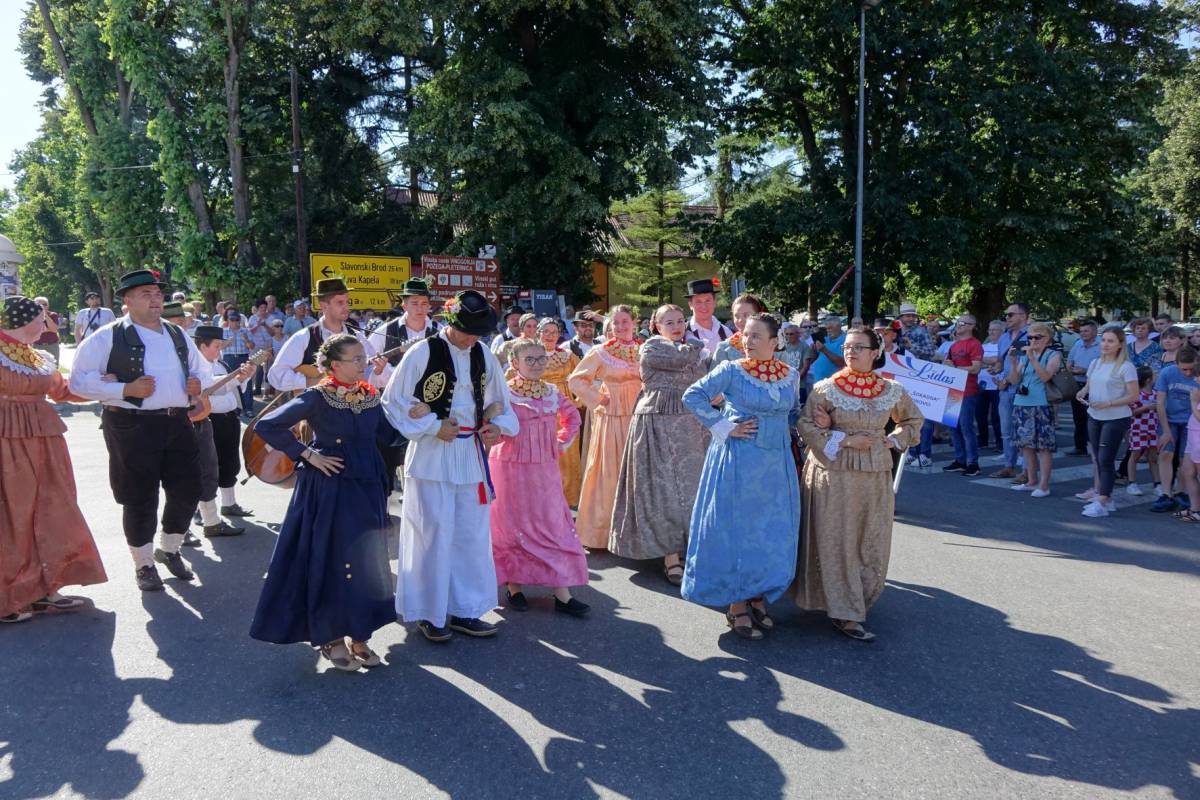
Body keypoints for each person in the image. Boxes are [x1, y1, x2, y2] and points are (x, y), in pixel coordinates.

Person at [250, 334, 397, 670]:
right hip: (330, 486)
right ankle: (331, 638)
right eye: (356, 359)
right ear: (334, 365)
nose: (363, 364)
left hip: (368, 485)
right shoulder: (318, 396)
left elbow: (389, 435)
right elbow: (268, 425)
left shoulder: (369, 396)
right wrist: (307, 454)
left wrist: (417, 414)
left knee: (366, 559)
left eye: (363, 358)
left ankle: (360, 633)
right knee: (332, 558)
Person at [381, 290, 518, 642]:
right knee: (432, 534)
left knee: (470, 534)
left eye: (478, 333)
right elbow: (393, 401)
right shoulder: (423, 351)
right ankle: (430, 612)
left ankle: (466, 609)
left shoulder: (483, 354)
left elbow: (501, 402)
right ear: (451, 323)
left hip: (470, 455)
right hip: (432, 456)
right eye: (467, 331)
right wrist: (432, 426)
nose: (472, 338)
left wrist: (497, 427)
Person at [68, 270, 205, 591]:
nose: (156, 299)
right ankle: (143, 564)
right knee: (139, 496)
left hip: (177, 421)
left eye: (158, 294)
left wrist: (197, 384)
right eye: (146, 294)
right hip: (131, 425)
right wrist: (125, 389)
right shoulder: (107, 337)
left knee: (189, 489)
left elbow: (201, 369)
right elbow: (78, 382)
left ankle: (169, 549)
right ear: (127, 300)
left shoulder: (177, 333)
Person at [795, 326, 923, 641]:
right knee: (837, 538)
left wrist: (894, 440)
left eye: (858, 347)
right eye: (848, 347)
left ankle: (857, 600)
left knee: (869, 538)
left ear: (875, 352)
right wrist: (846, 439)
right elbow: (806, 426)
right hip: (833, 473)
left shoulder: (891, 389)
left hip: (875, 473)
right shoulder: (826, 388)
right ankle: (845, 610)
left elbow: (913, 420)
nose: (851, 352)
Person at [681, 313, 802, 640]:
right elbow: (692, 396)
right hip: (739, 461)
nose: (747, 341)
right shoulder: (731, 370)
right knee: (738, 529)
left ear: (774, 342)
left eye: (756, 336)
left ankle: (758, 594)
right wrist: (724, 426)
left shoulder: (790, 375)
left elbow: (794, 413)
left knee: (770, 530)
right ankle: (736, 602)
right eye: (746, 334)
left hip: (776, 465)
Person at [0, 296, 107, 623]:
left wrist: (110, 388)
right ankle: (10, 595)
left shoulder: (38, 356)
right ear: (23, 321)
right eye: (41, 319)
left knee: (53, 506)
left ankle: (47, 587)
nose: (47, 325)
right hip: (7, 437)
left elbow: (62, 391)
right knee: (14, 513)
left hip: (45, 437)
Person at [610, 304, 710, 585]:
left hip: (690, 426)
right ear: (656, 326)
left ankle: (687, 550)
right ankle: (670, 557)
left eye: (680, 321)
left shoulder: (691, 350)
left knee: (691, 490)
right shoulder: (652, 346)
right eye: (669, 322)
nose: (677, 326)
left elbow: (703, 382)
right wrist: (696, 343)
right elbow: (681, 359)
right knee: (662, 491)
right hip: (657, 424)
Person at [489, 339, 589, 616]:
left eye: (541, 358)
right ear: (514, 363)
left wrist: (560, 442)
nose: (536, 364)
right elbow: (488, 424)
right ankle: (514, 587)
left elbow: (573, 418)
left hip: (545, 469)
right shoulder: (503, 393)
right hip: (509, 467)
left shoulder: (552, 391)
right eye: (529, 359)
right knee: (511, 525)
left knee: (552, 524)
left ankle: (562, 594)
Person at [567, 305, 643, 550]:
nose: (620, 327)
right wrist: (600, 399)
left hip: (640, 416)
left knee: (638, 472)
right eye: (615, 323)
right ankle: (602, 532)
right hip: (612, 417)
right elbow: (576, 380)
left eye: (625, 321)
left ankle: (638, 534)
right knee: (610, 472)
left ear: (634, 323)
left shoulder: (644, 350)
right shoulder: (601, 352)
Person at [268, 278, 390, 394]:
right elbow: (275, 375)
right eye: (340, 302)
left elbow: (369, 378)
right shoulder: (304, 337)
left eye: (347, 302)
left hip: (349, 405)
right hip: (316, 407)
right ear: (323, 305)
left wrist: (377, 372)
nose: (347, 307)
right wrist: (311, 382)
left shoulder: (357, 338)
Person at [191, 325, 256, 538]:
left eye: (221, 346)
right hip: (209, 420)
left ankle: (229, 504)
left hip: (229, 418)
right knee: (206, 467)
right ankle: (201, 511)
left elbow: (235, 389)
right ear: (202, 346)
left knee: (230, 462)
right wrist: (235, 378)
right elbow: (208, 391)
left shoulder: (221, 364)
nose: (220, 350)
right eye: (217, 346)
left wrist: (244, 377)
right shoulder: (195, 368)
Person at [1074, 327, 1139, 517]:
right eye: (1103, 340)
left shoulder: (1126, 367)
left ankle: (1102, 500)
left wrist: (1108, 403)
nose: (1105, 344)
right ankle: (1106, 498)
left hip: (1116, 417)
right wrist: (1082, 392)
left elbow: (1133, 396)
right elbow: (1089, 384)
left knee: (1105, 459)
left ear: (1120, 345)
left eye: (1111, 341)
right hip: (1094, 415)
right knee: (1098, 458)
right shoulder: (1095, 363)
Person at [1006, 322, 1061, 497]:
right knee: (1026, 446)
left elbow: (1045, 377)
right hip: (1022, 403)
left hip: (1041, 404)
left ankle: (1044, 486)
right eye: (1030, 337)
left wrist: (1033, 359)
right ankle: (1031, 481)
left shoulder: (1053, 355)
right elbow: (1014, 381)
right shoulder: (1024, 356)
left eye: (1038, 337)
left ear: (1048, 339)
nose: (1033, 340)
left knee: (1043, 448)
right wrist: (1013, 362)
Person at [533, 317, 584, 505]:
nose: (550, 336)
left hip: (564, 408)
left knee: (567, 451)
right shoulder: (531, 354)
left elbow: (583, 376)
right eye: (546, 331)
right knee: (543, 450)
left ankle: (569, 497)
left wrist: (578, 400)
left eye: (554, 332)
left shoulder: (567, 355)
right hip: (540, 406)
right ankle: (544, 498)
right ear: (538, 333)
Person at [1149, 347, 1200, 512]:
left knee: (1185, 459)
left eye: (1191, 369)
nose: (1188, 373)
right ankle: (1166, 494)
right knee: (1165, 453)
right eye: (1183, 369)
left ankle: (1180, 492)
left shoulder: (1198, 376)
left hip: (1191, 422)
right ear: (1176, 364)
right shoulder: (1167, 373)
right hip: (1169, 419)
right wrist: (1165, 431)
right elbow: (1160, 403)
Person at [938, 314, 985, 476]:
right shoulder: (954, 345)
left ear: (972, 326)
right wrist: (948, 366)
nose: (958, 325)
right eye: (958, 322)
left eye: (962, 323)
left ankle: (973, 463)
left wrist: (955, 369)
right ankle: (960, 460)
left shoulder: (975, 344)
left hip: (968, 391)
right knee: (953, 427)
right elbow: (947, 364)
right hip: (952, 391)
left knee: (966, 427)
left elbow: (976, 368)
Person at [988, 302, 1030, 480]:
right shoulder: (1004, 337)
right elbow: (1001, 361)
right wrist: (996, 371)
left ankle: (1027, 471)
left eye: (1011, 314)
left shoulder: (1031, 335)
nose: (1007, 318)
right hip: (1005, 390)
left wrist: (1006, 380)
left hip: (1024, 390)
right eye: (1006, 315)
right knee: (1006, 431)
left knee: (1024, 431)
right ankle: (1009, 466)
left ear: (1023, 316)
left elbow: (1025, 364)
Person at [368, 278, 440, 369]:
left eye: (424, 303)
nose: (420, 309)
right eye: (415, 303)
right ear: (404, 306)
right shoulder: (385, 331)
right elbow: (366, 363)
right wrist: (383, 370)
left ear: (429, 306)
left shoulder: (439, 331)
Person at [1066, 319, 1101, 455]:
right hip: (1076, 385)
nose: (1083, 334)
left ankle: (1095, 446)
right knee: (1078, 418)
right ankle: (1080, 446)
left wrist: (1085, 371)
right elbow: (1069, 361)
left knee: (1092, 418)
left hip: (1093, 386)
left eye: (1086, 331)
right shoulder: (1078, 344)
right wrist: (1070, 368)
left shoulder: (1101, 345)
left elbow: (1104, 367)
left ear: (1095, 332)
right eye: (1081, 331)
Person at [1124, 366, 1160, 497]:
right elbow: (1131, 412)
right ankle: (1132, 483)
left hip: (1153, 428)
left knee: (1153, 457)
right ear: (1148, 379)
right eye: (1154, 374)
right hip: (1138, 428)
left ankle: (1157, 484)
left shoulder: (1156, 394)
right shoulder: (1136, 395)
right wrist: (1146, 407)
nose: (1157, 376)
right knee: (1135, 455)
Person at [712, 293, 767, 365]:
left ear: (759, 315)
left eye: (746, 315)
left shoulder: (774, 344)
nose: (740, 320)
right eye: (737, 316)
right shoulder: (724, 349)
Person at [684, 279, 733, 357]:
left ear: (714, 302)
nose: (704, 306)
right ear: (690, 305)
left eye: (708, 300)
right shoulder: (683, 333)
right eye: (698, 302)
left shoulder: (726, 333)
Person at [221, 311, 258, 414]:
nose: (234, 322)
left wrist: (246, 339)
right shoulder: (223, 331)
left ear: (240, 321)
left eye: (237, 320)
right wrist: (227, 342)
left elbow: (252, 347)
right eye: (232, 320)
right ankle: (234, 408)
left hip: (243, 358)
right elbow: (219, 347)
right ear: (228, 321)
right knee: (230, 383)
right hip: (229, 358)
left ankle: (248, 408)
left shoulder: (246, 331)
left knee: (247, 382)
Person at [976, 320, 1004, 450]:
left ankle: (1000, 442)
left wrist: (985, 361)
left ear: (1002, 332)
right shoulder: (983, 346)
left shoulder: (1004, 347)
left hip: (998, 385)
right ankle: (983, 440)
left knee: (996, 416)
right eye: (990, 330)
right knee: (980, 414)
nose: (991, 332)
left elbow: (999, 361)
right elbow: (976, 362)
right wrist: (992, 362)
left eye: (994, 330)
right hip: (981, 385)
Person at [806, 315, 847, 386]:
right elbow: (813, 359)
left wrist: (825, 350)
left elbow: (842, 362)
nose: (828, 330)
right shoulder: (825, 339)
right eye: (827, 328)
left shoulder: (846, 340)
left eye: (830, 328)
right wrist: (813, 350)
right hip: (817, 381)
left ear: (839, 327)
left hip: (833, 384)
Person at [31, 297, 61, 362]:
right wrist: (48, 329)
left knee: (54, 366)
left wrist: (45, 314)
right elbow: (33, 330)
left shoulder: (53, 315)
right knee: (38, 366)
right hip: (38, 346)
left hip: (52, 345)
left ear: (48, 305)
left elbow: (54, 329)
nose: (42, 306)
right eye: (39, 304)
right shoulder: (32, 316)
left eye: (44, 304)